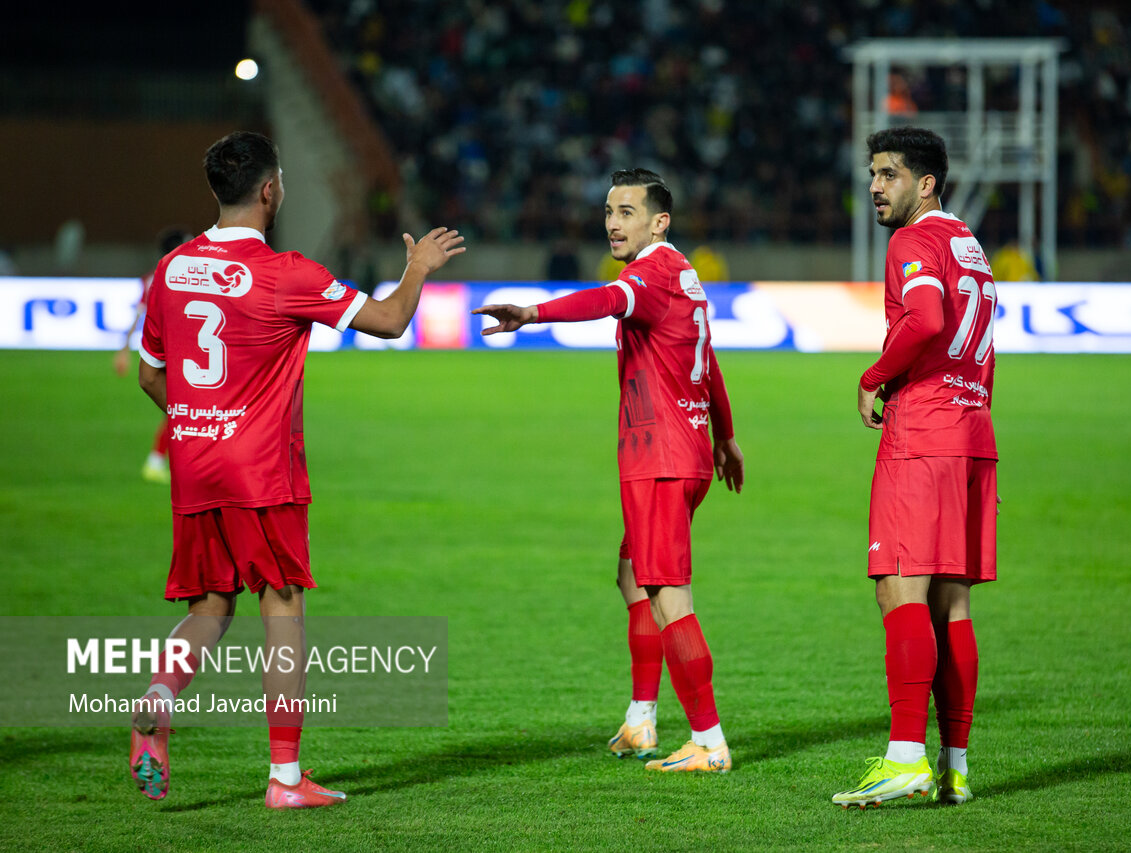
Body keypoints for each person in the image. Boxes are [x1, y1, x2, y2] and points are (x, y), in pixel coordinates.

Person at [130, 130, 465, 807]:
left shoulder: (171, 269)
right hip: (260, 472)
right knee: (282, 612)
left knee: (209, 606)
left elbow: (148, 375)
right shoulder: (287, 273)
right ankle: (285, 779)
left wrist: (201, 424)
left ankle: (160, 693)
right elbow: (390, 321)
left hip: (195, 464)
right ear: (270, 190)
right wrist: (419, 266)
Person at [473, 168, 744, 773]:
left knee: (669, 595)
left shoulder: (648, 274)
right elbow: (709, 362)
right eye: (608, 212)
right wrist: (725, 436)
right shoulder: (683, 273)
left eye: (627, 212)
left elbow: (606, 301)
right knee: (632, 576)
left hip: (660, 457)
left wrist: (531, 312)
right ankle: (641, 719)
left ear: (659, 222)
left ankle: (709, 741)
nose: (613, 224)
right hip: (684, 448)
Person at [832, 127, 998, 810]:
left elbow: (926, 317)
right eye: (872, 173)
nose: (875, 186)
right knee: (951, 603)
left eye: (890, 174)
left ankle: (905, 758)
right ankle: (954, 766)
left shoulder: (913, 240)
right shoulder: (968, 244)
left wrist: (872, 376)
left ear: (925, 183)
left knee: (899, 589)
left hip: (924, 433)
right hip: (973, 431)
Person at [115, 226, 195, 483]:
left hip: (161, 351)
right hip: (176, 351)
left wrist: (124, 350)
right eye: (188, 242)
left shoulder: (153, 276)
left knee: (180, 408)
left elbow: (138, 314)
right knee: (185, 408)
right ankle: (159, 461)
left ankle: (163, 462)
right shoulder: (181, 275)